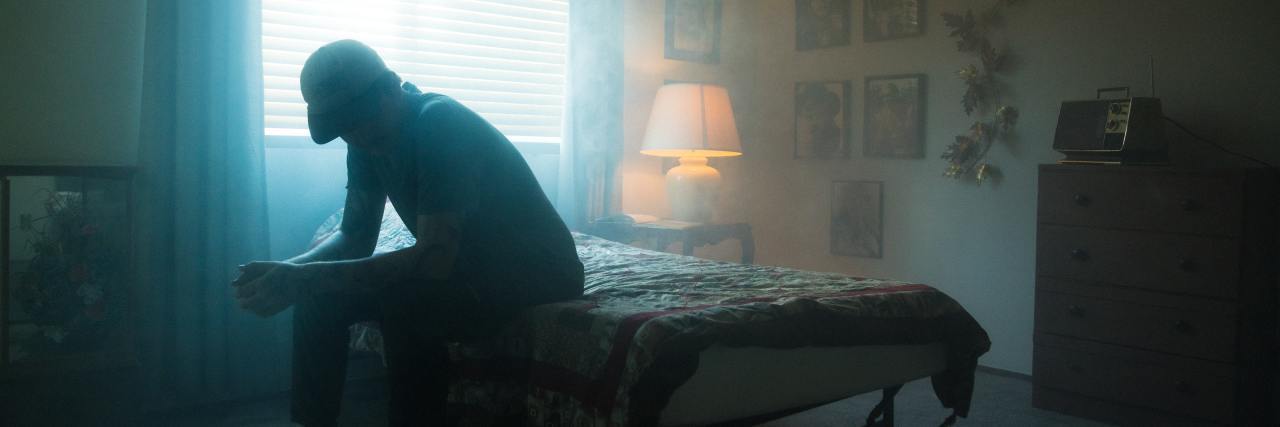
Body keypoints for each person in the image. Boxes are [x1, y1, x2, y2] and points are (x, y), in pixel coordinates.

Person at [231, 39, 585, 426]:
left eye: (361, 121)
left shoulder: (440, 124)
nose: (357, 136)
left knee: (408, 302)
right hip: (464, 265)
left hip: (538, 273)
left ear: (392, 87)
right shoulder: (363, 136)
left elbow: (434, 259)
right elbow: (354, 235)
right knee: (318, 297)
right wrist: (288, 272)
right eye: (344, 128)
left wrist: (305, 276)